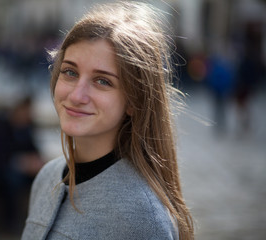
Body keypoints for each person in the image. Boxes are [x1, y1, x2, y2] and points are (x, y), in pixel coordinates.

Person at [22, 2, 194, 240]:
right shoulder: (47, 178)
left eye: (103, 81)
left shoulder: (142, 217)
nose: (76, 95)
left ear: (134, 101)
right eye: (70, 72)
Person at [0, 97, 44, 232]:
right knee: (12, 180)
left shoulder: (27, 128)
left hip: (22, 169)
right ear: (18, 110)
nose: (28, 115)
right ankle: (9, 222)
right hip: (0, 169)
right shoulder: (0, 126)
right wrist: (21, 162)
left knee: (46, 177)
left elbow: (34, 150)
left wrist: (36, 161)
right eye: (26, 111)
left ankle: (41, 219)